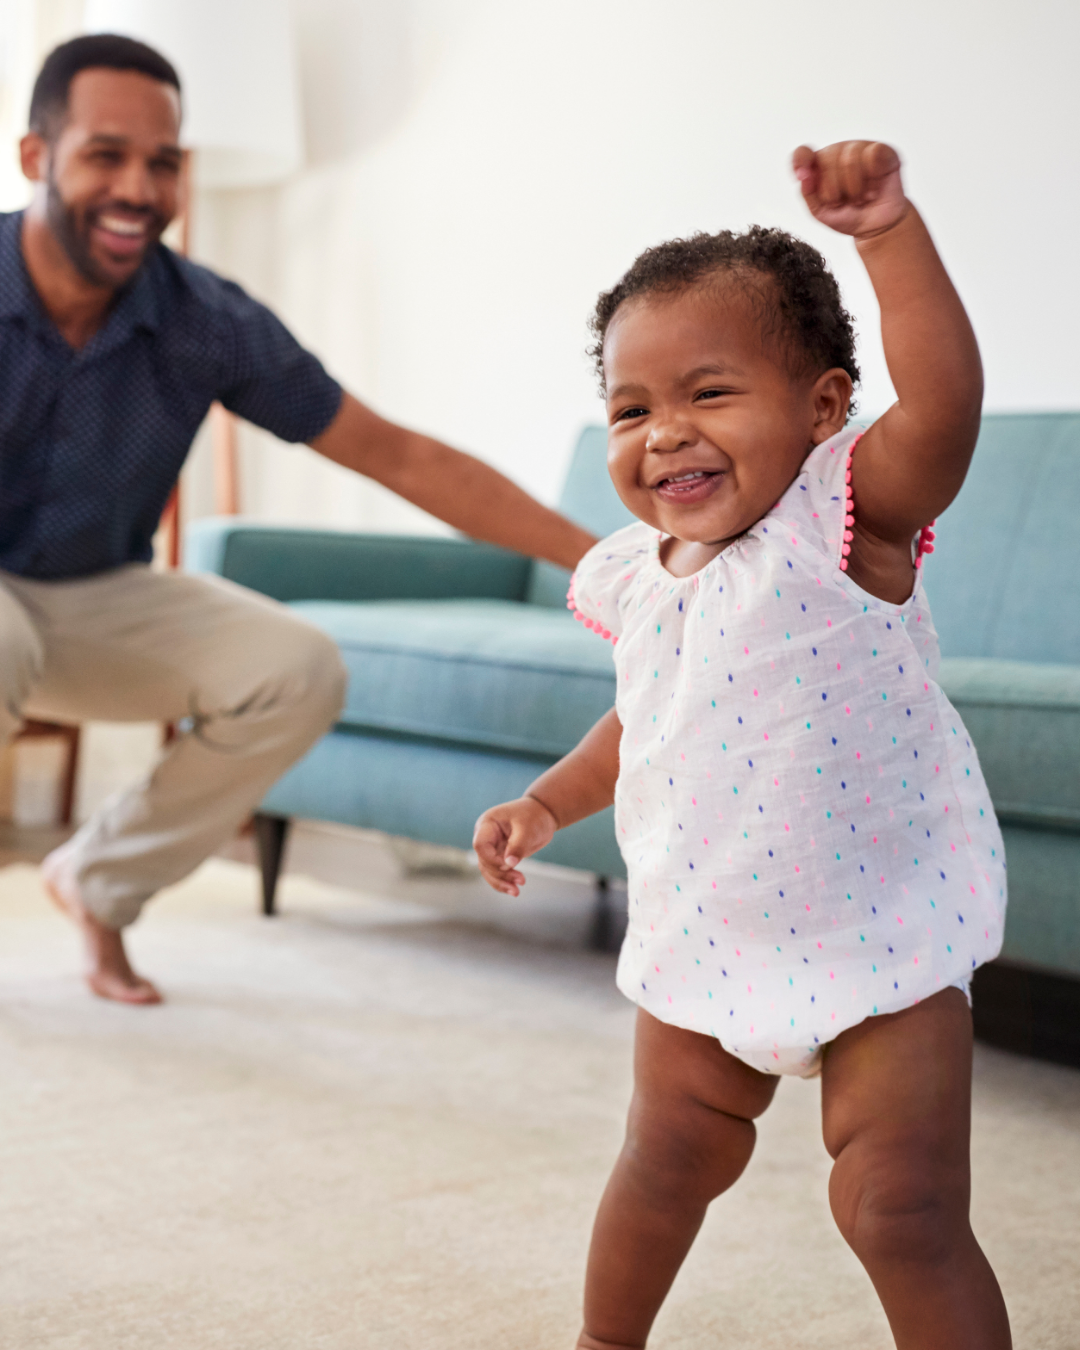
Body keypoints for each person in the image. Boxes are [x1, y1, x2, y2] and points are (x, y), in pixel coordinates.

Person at [473, 141, 1011, 1349]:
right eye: (631, 407)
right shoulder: (632, 574)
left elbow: (944, 408)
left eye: (709, 394)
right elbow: (648, 716)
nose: (665, 434)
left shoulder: (842, 521)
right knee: (662, 1163)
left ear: (823, 409)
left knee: (901, 1207)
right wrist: (550, 804)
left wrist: (885, 237)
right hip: (708, 924)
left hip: (881, 931)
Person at [2, 34, 595, 1007]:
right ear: (38, 158)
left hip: (95, 589)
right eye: (105, 154)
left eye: (162, 162)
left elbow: (395, 453)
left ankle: (97, 883)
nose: (137, 188)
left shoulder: (203, 320)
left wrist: (601, 558)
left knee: (297, 668)